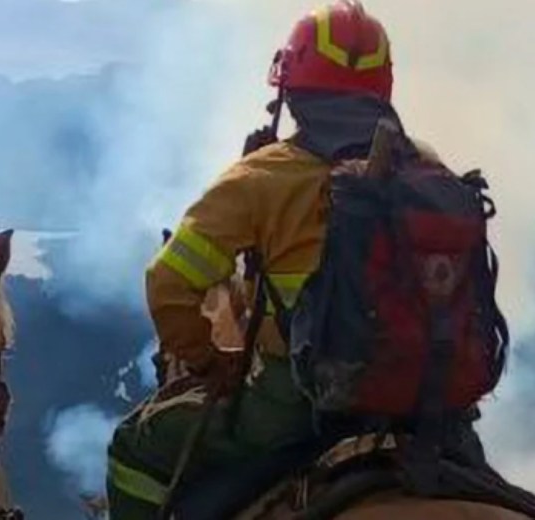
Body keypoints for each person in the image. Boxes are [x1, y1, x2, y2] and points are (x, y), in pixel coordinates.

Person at [104, 1, 478, 517]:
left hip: (296, 405)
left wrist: (208, 361)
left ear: (290, 89)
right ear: (382, 89)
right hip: (433, 406)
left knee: (135, 449)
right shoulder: (431, 172)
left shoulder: (262, 177)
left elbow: (168, 281)